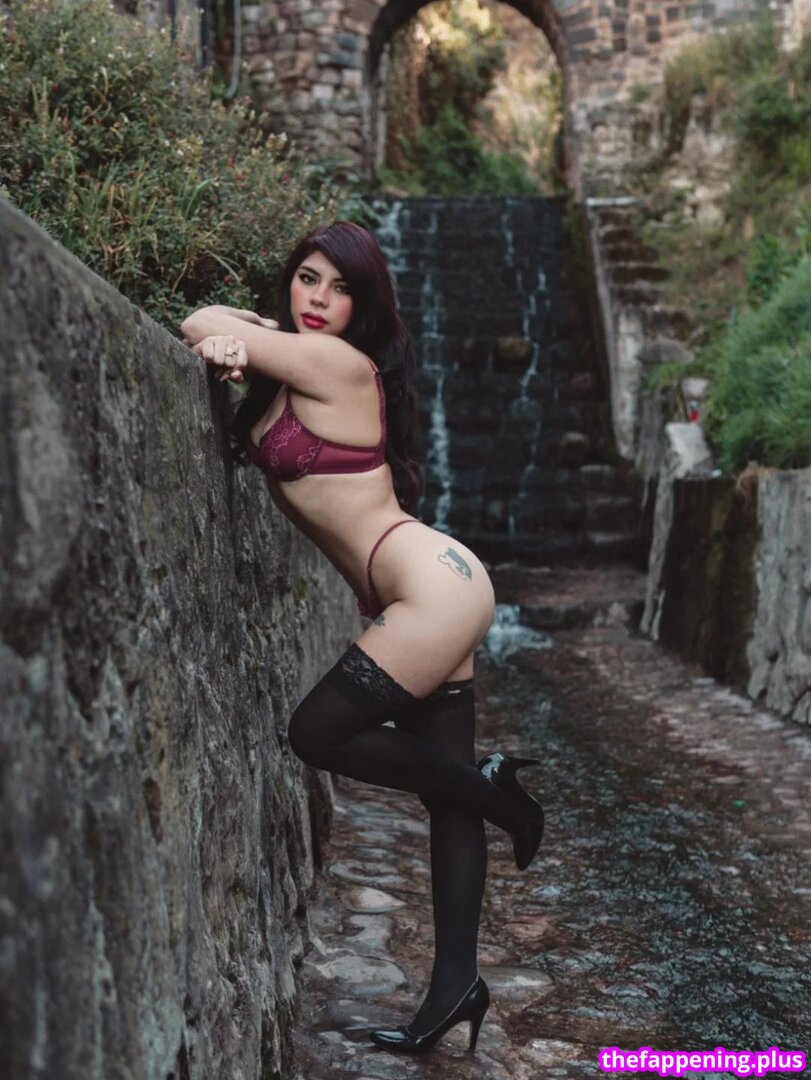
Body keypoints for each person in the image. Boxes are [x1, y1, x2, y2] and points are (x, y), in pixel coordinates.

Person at [179, 220, 544, 1057]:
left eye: (341, 289)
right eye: (308, 278)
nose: (319, 299)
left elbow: (199, 320)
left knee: (315, 733)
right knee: (442, 799)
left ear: (362, 306)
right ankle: (455, 987)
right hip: (426, 584)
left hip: (430, 589)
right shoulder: (296, 356)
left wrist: (238, 336)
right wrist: (243, 336)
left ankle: (498, 795)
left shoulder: (336, 364)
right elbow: (204, 322)